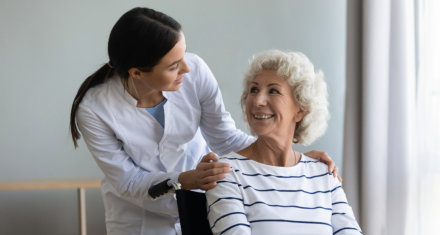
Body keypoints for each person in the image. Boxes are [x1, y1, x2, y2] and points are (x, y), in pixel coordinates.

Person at [69, 7, 339, 235]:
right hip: (139, 221)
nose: (186, 68)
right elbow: (128, 181)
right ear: (137, 72)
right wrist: (186, 179)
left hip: (202, 206)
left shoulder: (194, 71)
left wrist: (291, 157)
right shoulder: (94, 109)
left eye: (183, 56)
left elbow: (225, 138)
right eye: (174, 66)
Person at [206, 50, 362, 235]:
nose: (258, 100)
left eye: (273, 91)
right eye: (253, 89)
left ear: (300, 110)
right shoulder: (225, 172)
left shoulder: (323, 174)